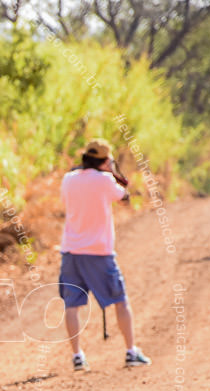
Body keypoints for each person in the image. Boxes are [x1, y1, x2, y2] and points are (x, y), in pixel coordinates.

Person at [59, 138, 151, 371]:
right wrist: (113, 170)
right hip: (99, 252)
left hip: (71, 251)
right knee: (120, 301)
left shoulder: (68, 179)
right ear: (103, 161)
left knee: (72, 304)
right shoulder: (105, 180)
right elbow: (125, 197)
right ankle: (131, 351)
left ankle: (77, 355)